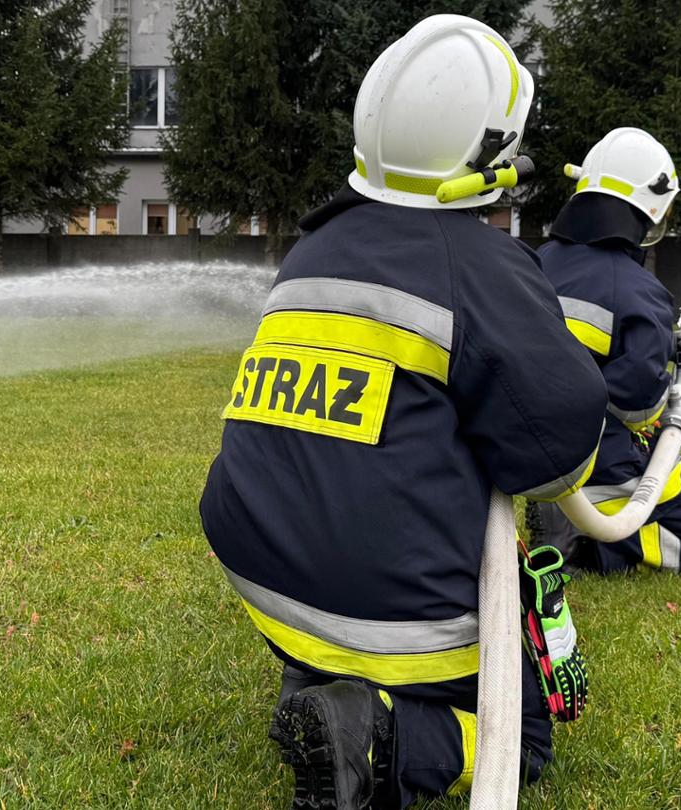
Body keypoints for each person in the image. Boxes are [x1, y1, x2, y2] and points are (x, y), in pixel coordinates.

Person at [198, 16, 608, 808]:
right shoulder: (481, 265)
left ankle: (320, 678)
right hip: (383, 605)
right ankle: (375, 731)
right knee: (521, 738)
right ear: (492, 153)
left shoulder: (313, 248)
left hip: (258, 568)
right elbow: (559, 459)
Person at [525, 128, 681, 575]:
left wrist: (663, 345)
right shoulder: (640, 290)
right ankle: (591, 544)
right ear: (651, 208)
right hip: (601, 464)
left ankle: (565, 515)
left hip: (530, 450)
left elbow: (574, 352)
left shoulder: (536, 261)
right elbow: (639, 408)